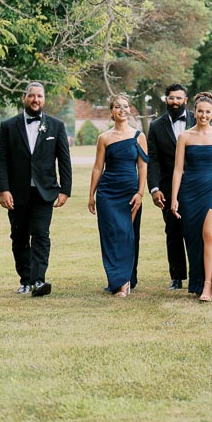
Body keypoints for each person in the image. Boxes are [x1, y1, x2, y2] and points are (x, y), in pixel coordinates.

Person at [0, 81, 72, 297]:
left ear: (44, 99)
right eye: (32, 96)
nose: (36, 100)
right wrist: (3, 190)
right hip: (16, 193)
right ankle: (25, 280)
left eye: (40, 96)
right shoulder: (8, 126)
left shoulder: (56, 126)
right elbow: (0, 161)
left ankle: (38, 281)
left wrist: (65, 189)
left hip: (44, 191)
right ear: (24, 98)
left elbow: (64, 159)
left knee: (41, 235)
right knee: (19, 237)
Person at [87, 94, 148, 297]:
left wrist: (140, 192)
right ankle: (116, 280)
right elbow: (97, 168)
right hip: (107, 193)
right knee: (110, 236)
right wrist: (91, 195)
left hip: (130, 192)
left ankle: (125, 280)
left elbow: (142, 165)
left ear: (130, 109)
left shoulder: (139, 136)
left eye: (125, 106)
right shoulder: (104, 138)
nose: (122, 110)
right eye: (117, 107)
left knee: (126, 235)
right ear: (111, 112)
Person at [171, 92, 212, 302]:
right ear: (194, 112)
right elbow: (178, 170)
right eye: (200, 111)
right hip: (189, 191)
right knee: (194, 239)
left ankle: (207, 285)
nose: (203, 115)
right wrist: (174, 197)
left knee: (210, 234)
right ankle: (197, 281)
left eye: (208, 112)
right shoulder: (184, 137)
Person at [145, 83, 191, 289]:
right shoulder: (155, 126)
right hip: (167, 188)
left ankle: (199, 274)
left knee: (197, 231)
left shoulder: (197, 119)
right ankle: (177, 277)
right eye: (171, 98)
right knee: (173, 232)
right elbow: (152, 160)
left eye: (179, 98)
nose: (175, 102)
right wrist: (154, 189)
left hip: (194, 185)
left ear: (185, 101)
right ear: (166, 100)